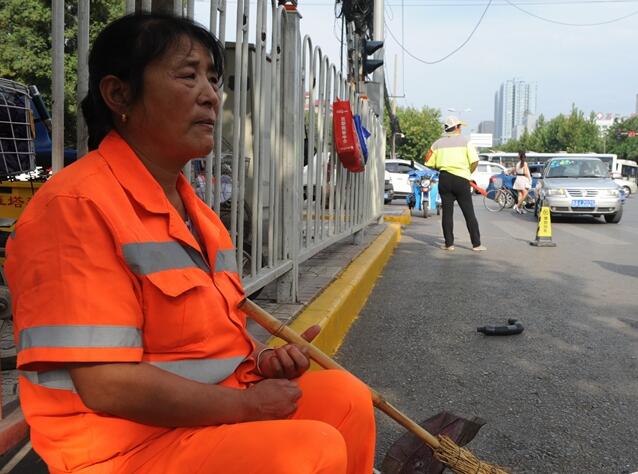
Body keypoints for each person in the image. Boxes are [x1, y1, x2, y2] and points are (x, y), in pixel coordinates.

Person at [5, 13, 375, 474]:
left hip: (201, 418)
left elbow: (207, 343)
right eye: (188, 75)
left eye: (213, 79)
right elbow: (107, 385)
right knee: (309, 449)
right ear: (118, 94)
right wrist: (247, 408)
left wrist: (262, 363)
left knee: (348, 399)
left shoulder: (194, 211)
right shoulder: (75, 206)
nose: (210, 95)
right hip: (118, 446)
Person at [424, 115, 486, 252]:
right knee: (468, 212)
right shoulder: (466, 141)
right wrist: (467, 173)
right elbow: (475, 161)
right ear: (457, 127)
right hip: (461, 179)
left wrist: (442, 167)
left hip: (445, 179)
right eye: (460, 126)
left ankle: (449, 244)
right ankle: (476, 244)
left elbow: (428, 162)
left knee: (447, 213)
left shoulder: (437, 144)